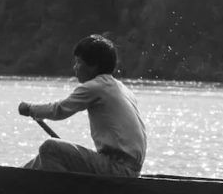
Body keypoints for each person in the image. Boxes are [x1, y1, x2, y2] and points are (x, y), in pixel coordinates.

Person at [17, 34, 147, 178]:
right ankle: (16, 177)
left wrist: (30, 109)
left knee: (49, 147)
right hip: (131, 171)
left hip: (118, 170)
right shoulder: (122, 88)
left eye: (79, 62)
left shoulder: (96, 86)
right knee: (46, 156)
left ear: (93, 66)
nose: (75, 67)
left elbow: (58, 110)